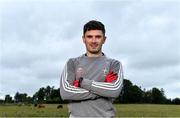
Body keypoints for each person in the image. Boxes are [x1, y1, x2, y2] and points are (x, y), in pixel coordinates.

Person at [60, 20, 123, 117]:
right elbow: (65, 92)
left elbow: (114, 90)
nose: (94, 41)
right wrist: (104, 90)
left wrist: (82, 83)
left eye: (98, 37)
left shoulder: (114, 64)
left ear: (104, 39)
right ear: (83, 39)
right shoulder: (72, 63)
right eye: (89, 37)